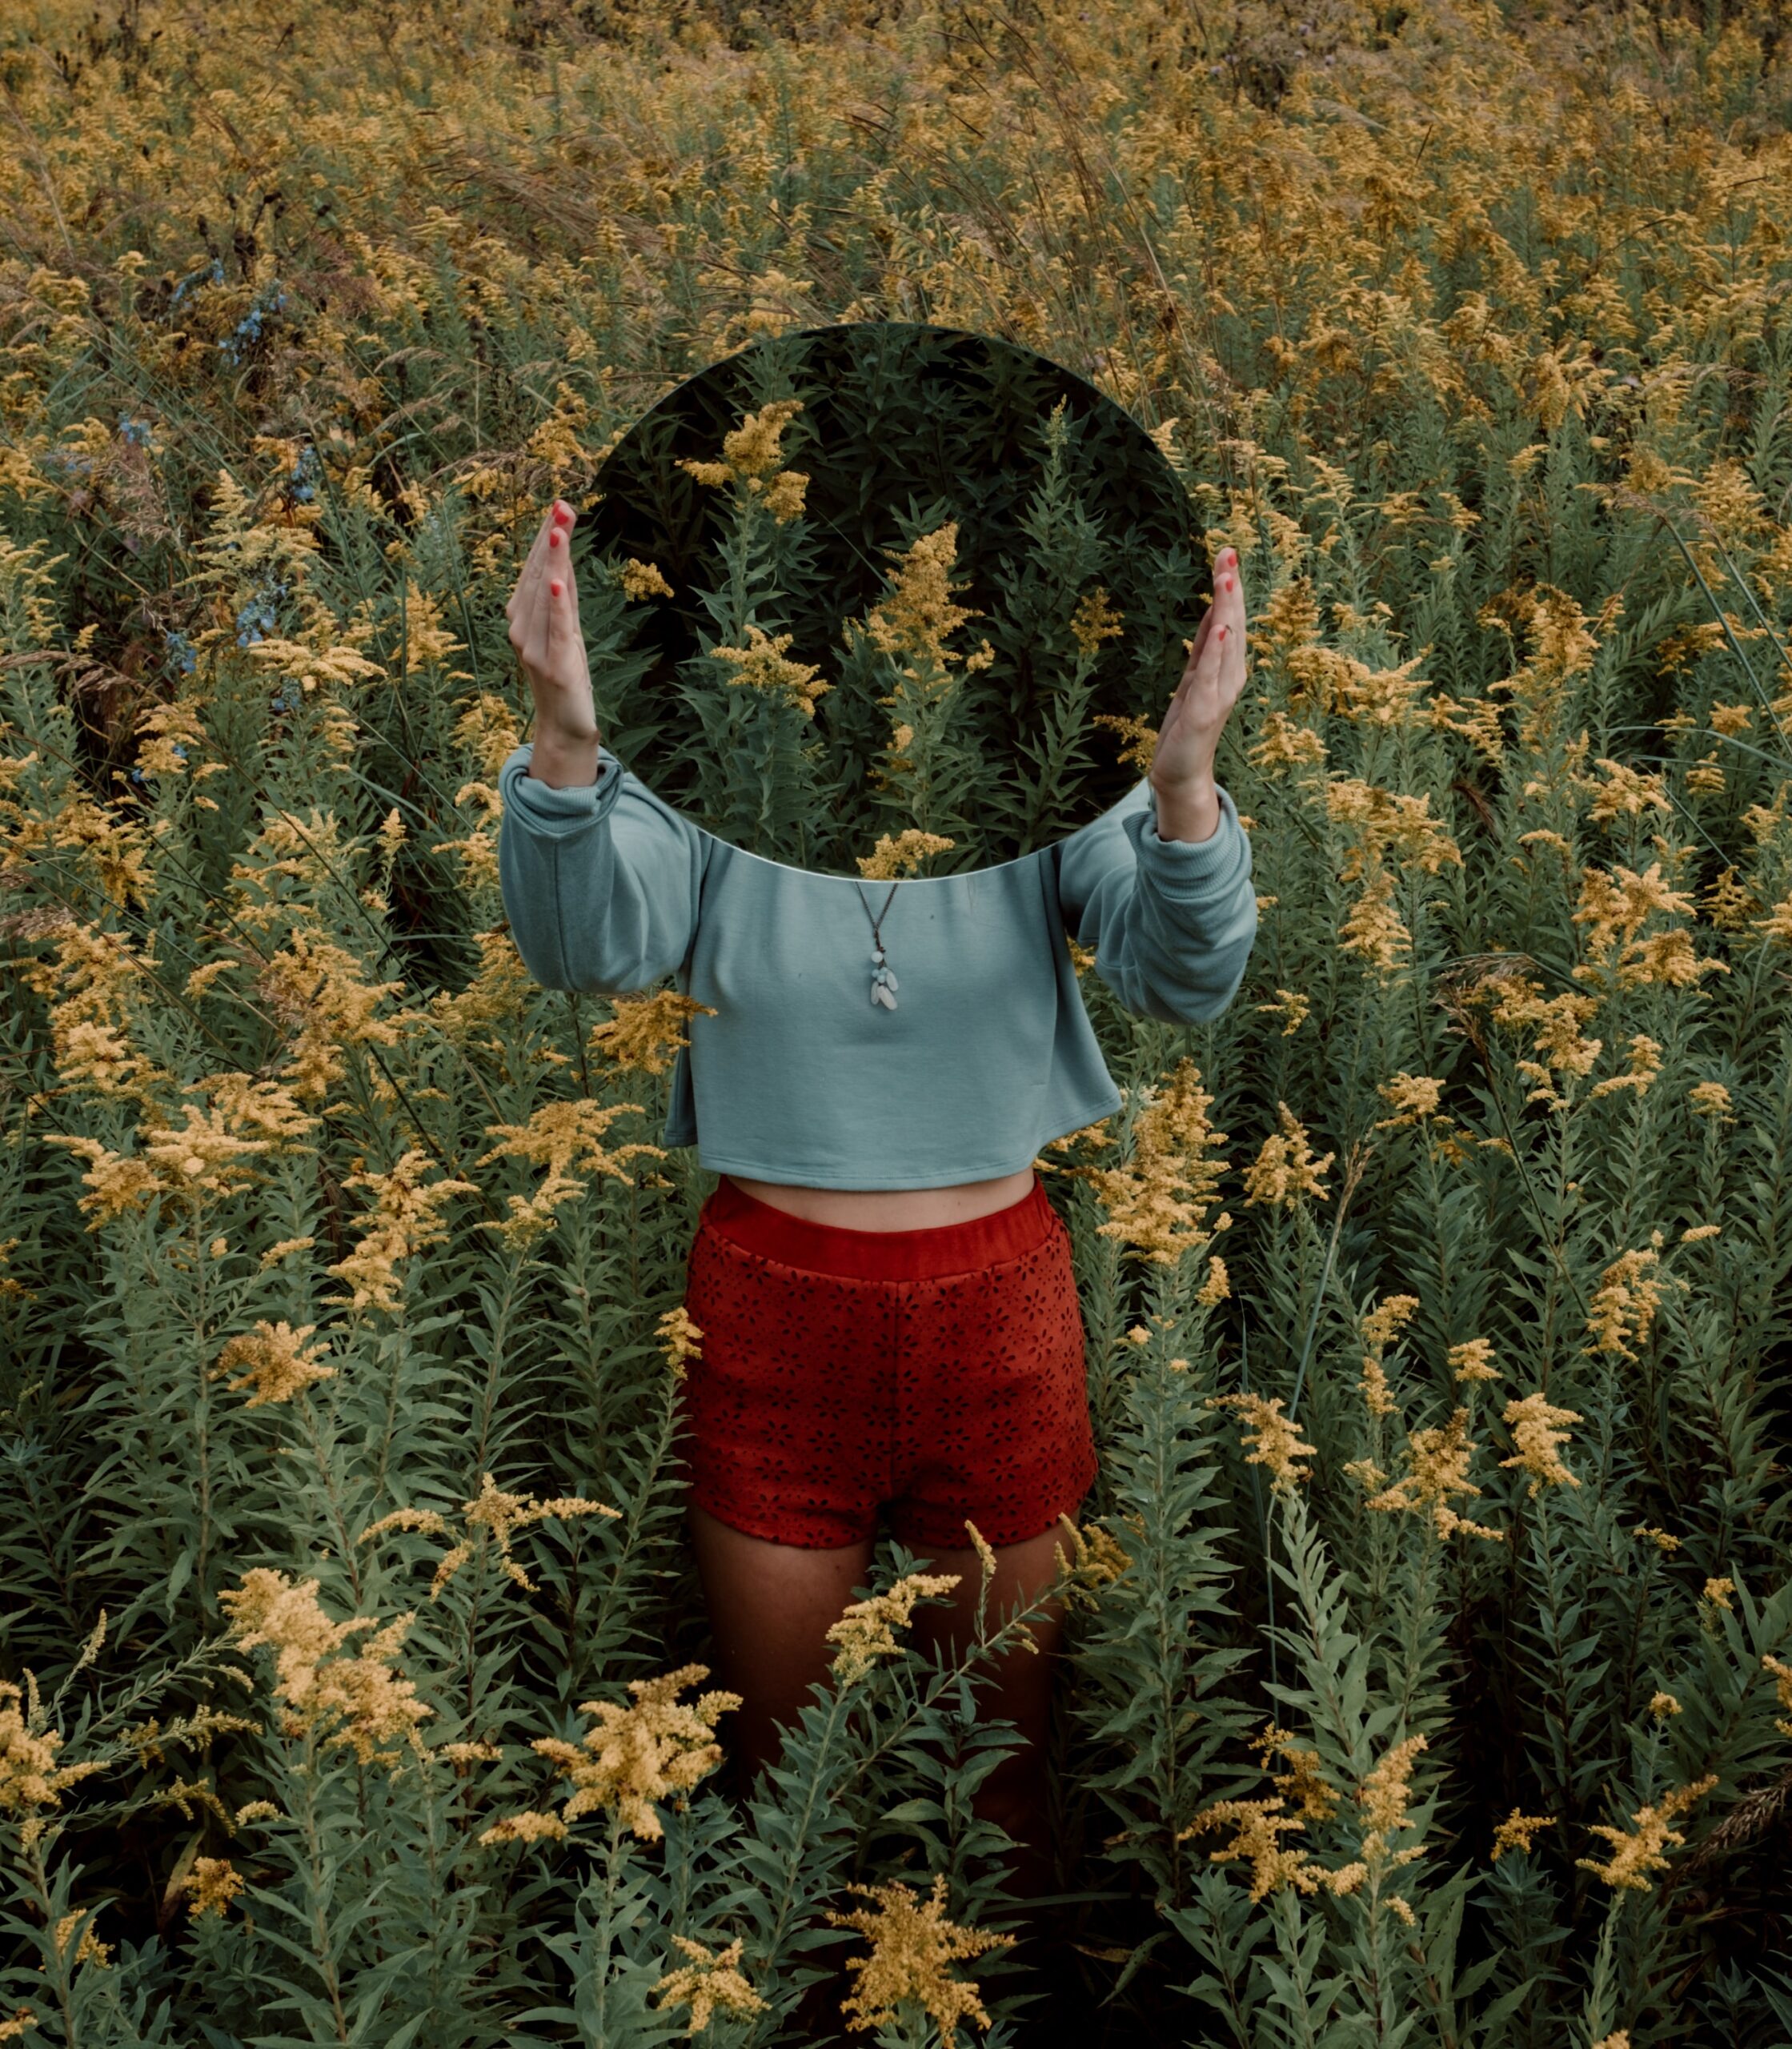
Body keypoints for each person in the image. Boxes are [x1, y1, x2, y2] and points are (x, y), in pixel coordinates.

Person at [497, 494, 1257, 1899]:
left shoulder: (1048, 807)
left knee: (1006, 1784)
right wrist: (565, 744)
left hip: (1001, 1314)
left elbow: (1184, 976)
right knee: (792, 1799)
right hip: (773, 1318)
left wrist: (1185, 789)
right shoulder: (708, 789)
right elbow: (587, 948)